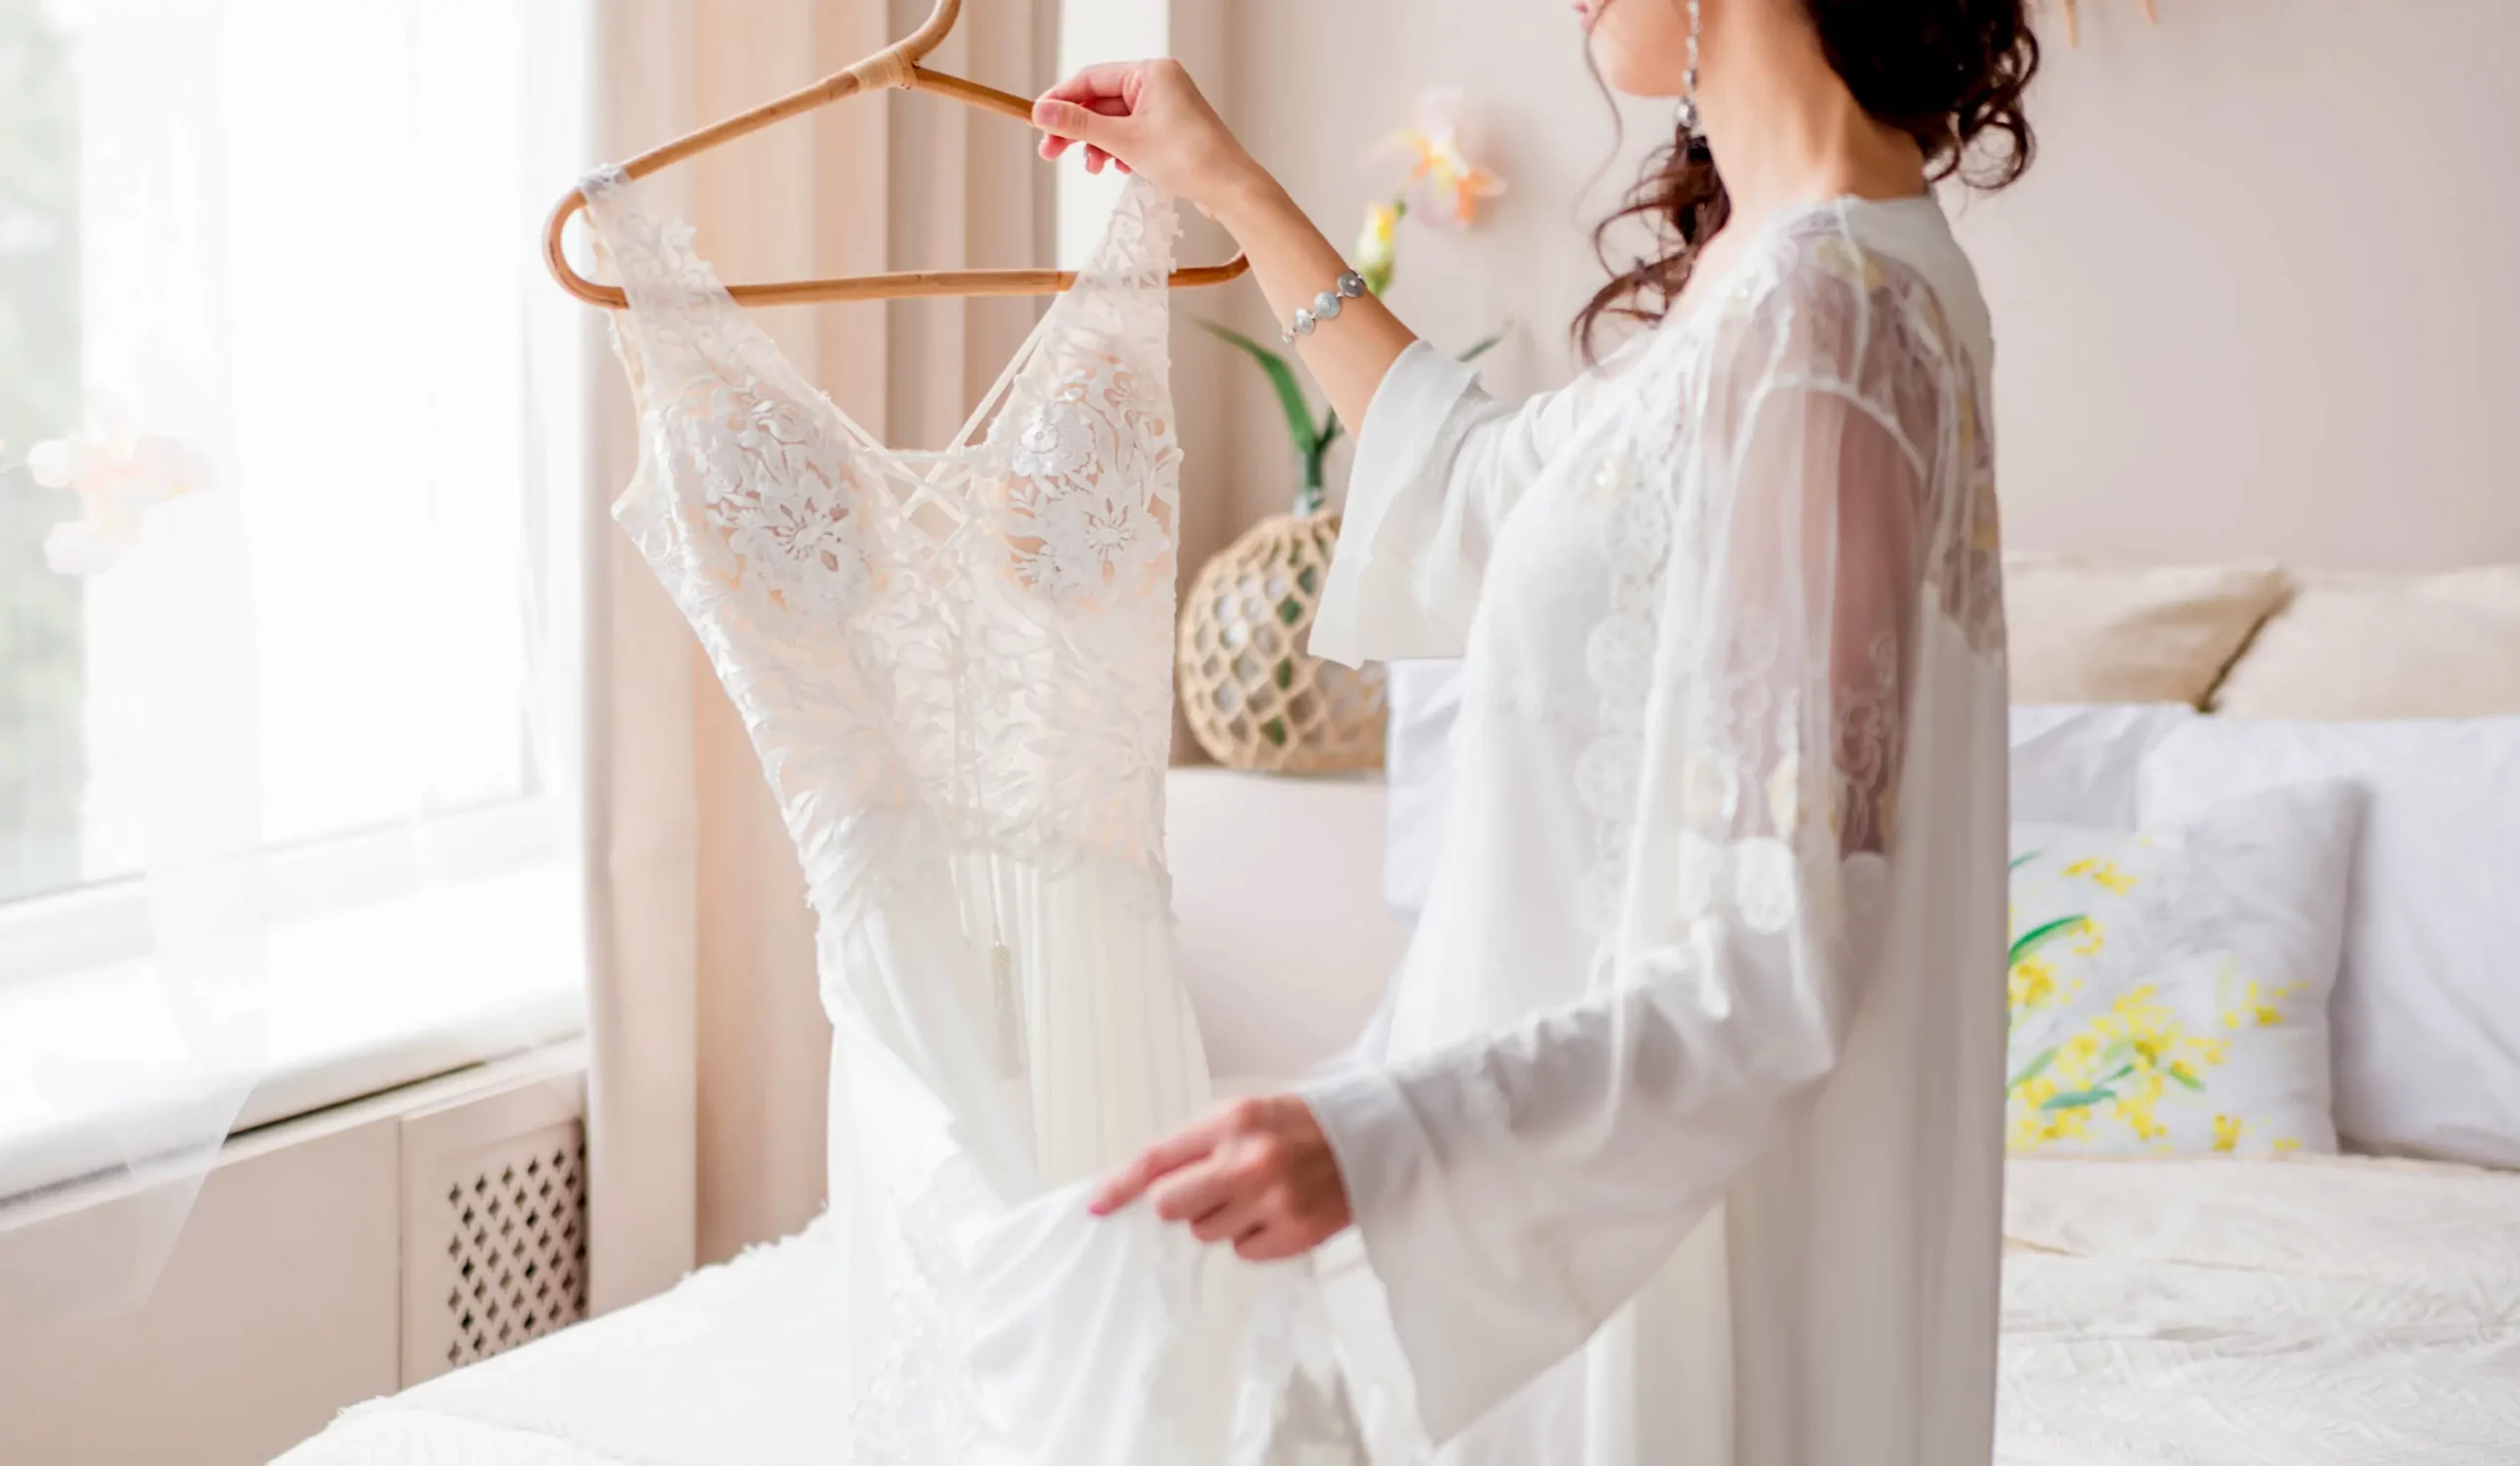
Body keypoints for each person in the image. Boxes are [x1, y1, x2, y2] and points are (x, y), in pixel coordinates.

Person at [1033, 1, 2034, 1461]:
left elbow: (1784, 955)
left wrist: (1384, 1141)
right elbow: (1481, 502)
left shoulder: (1834, 309)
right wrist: (1235, 188)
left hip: (1664, 1245)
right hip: (1615, 1198)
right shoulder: (1793, 272)